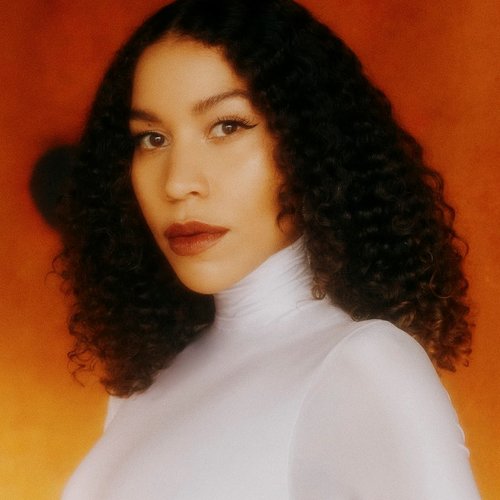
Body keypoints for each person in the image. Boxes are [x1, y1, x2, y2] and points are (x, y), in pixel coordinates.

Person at [58, 0, 480, 498]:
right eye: (152, 138)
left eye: (227, 127)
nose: (177, 182)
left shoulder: (362, 366)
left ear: (310, 143)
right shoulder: (143, 387)